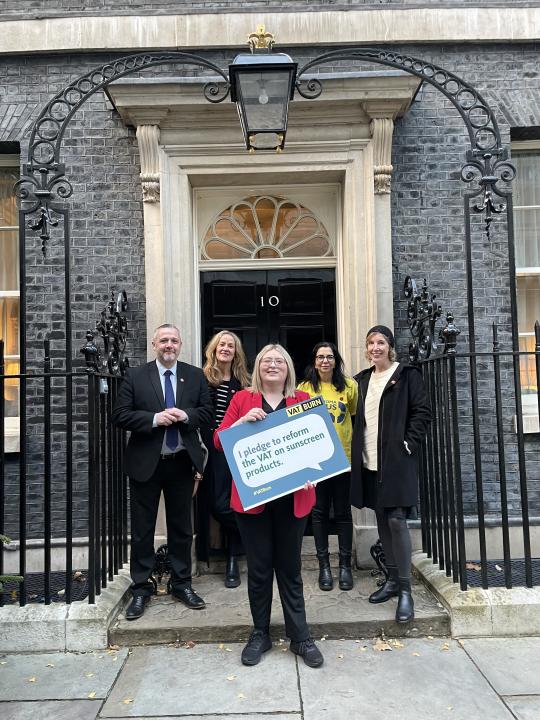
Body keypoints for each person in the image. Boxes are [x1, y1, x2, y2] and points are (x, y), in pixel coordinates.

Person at [214, 344, 324, 669]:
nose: (272, 365)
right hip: (254, 501)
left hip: (293, 499)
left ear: (288, 368)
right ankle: (260, 633)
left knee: (290, 569)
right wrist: (241, 423)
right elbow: (219, 441)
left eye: (279, 361)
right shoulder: (241, 400)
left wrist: (314, 474)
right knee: (260, 570)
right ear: (258, 368)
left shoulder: (301, 400)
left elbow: (317, 447)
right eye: (266, 361)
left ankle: (300, 636)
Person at [112, 324, 213, 620]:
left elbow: (207, 413)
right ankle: (142, 587)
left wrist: (187, 415)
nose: (169, 345)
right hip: (146, 463)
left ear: (181, 345)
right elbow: (120, 415)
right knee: (142, 529)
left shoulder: (194, 375)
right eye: (164, 341)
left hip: (181, 462)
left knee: (182, 528)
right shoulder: (135, 376)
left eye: (174, 341)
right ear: (154, 344)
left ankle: (181, 583)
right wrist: (155, 419)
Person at [350, 325, 431, 623]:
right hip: (370, 461)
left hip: (397, 460)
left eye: (380, 342)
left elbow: (422, 412)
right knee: (382, 517)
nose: (375, 348)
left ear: (390, 346)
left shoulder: (407, 375)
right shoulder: (361, 380)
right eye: (370, 342)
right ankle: (393, 580)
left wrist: (408, 443)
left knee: (397, 518)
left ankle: (406, 590)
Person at [298, 341, 358, 591]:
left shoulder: (350, 386)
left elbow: (353, 417)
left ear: (336, 360)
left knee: (343, 513)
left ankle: (344, 566)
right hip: (315, 462)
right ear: (314, 361)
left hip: (342, 459)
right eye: (320, 357)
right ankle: (324, 566)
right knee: (319, 512)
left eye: (330, 357)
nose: (325, 361)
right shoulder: (303, 389)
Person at [199, 330, 251, 588]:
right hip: (212, 448)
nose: (226, 348)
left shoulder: (244, 381)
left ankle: (233, 559)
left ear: (236, 351)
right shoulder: (203, 377)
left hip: (240, 448)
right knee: (218, 505)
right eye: (222, 344)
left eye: (231, 345)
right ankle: (256, 531)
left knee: (238, 501)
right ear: (214, 348)